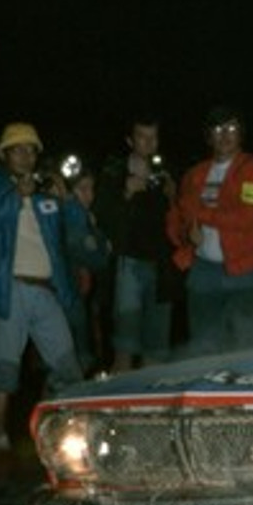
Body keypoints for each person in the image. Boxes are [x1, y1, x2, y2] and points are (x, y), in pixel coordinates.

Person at [0, 122, 82, 452]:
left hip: (46, 290)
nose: (26, 155)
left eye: (32, 149)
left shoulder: (46, 188)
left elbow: (74, 231)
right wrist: (15, 197)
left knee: (68, 368)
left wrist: (69, 199)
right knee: (5, 371)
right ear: (4, 154)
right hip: (11, 289)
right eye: (18, 149)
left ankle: (60, 434)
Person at [167, 106, 253, 356]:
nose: (225, 135)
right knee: (204, 348)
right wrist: (186, 234)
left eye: (232, 129)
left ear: (241, 134)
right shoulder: (194, 174)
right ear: (208, 137)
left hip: (244, 270)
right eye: (218, 129)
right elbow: (179, 218)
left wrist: (201, 215)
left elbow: (249, 216)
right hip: (203, 270)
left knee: (252, 347)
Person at [94, 116, 177, 371]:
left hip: (161, 269)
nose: (148, 142)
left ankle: (150, 407)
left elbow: (177, 222)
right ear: (130, 140)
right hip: (128, 266)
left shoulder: (165, 175)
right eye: (142, 136)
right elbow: (101, 217)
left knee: (157, 350)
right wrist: (127, 193)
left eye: (153, 136)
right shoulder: (114, 173)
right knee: (125, 346)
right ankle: (119, 405)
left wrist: (173, 197)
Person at [60, 162, 112, 374]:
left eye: (92, 188)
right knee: (75, 358)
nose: (89, 195)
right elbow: (97, 258)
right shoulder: (74, 216)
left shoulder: (81, 216)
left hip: (75, 293)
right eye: (83, 189)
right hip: (69, 293)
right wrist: (102, 243)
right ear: (70, 192)